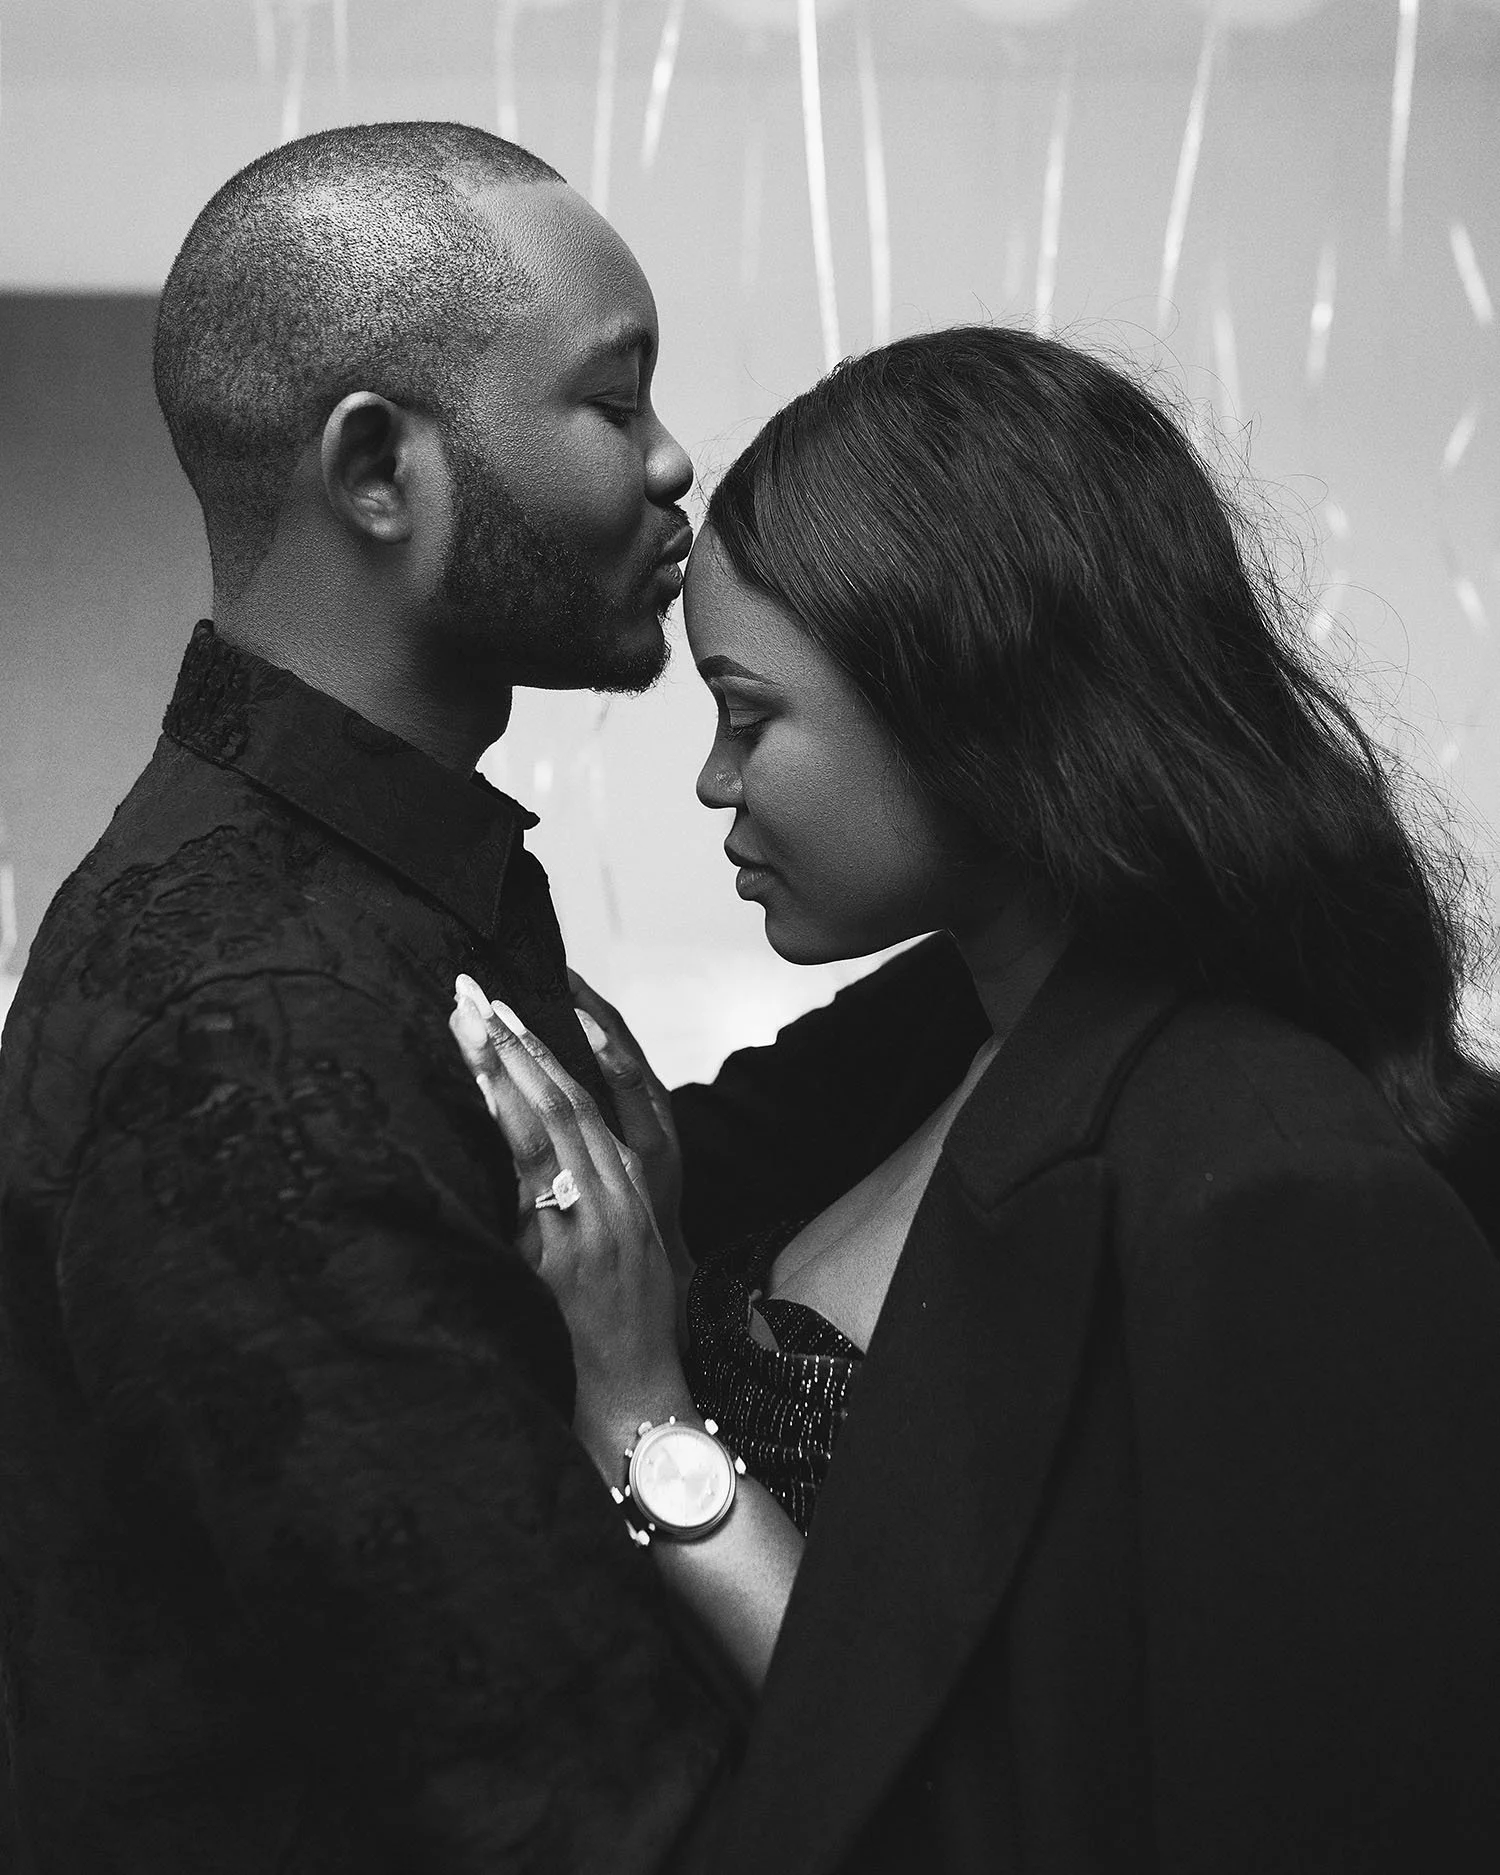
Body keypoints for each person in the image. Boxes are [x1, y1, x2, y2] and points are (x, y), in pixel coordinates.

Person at [452, 326, 1500, 1874]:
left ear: (971, 704)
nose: (716, 781)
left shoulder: (1283, 1187)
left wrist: (649, 1425)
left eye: (749, 712)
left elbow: (1056, 1805)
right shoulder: (955, 1017)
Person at [0, 122, 741, 1872]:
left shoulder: (369, 888)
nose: (671, 460)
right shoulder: (249, 1030)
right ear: (377, 469)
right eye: (612, 399)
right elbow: (570, 1806)